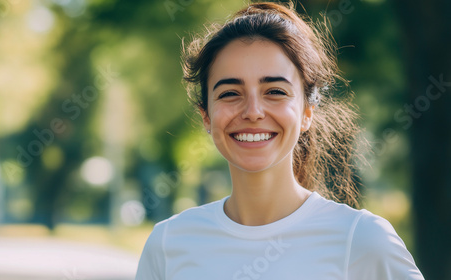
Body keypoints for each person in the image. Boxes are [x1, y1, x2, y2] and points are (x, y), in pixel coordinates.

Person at [135, 2, 424, 279]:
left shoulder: (361, 240)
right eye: (230, 93)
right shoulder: (168, 244)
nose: (253, 112)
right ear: (206, 115)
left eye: (275, 91)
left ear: (307, 112)